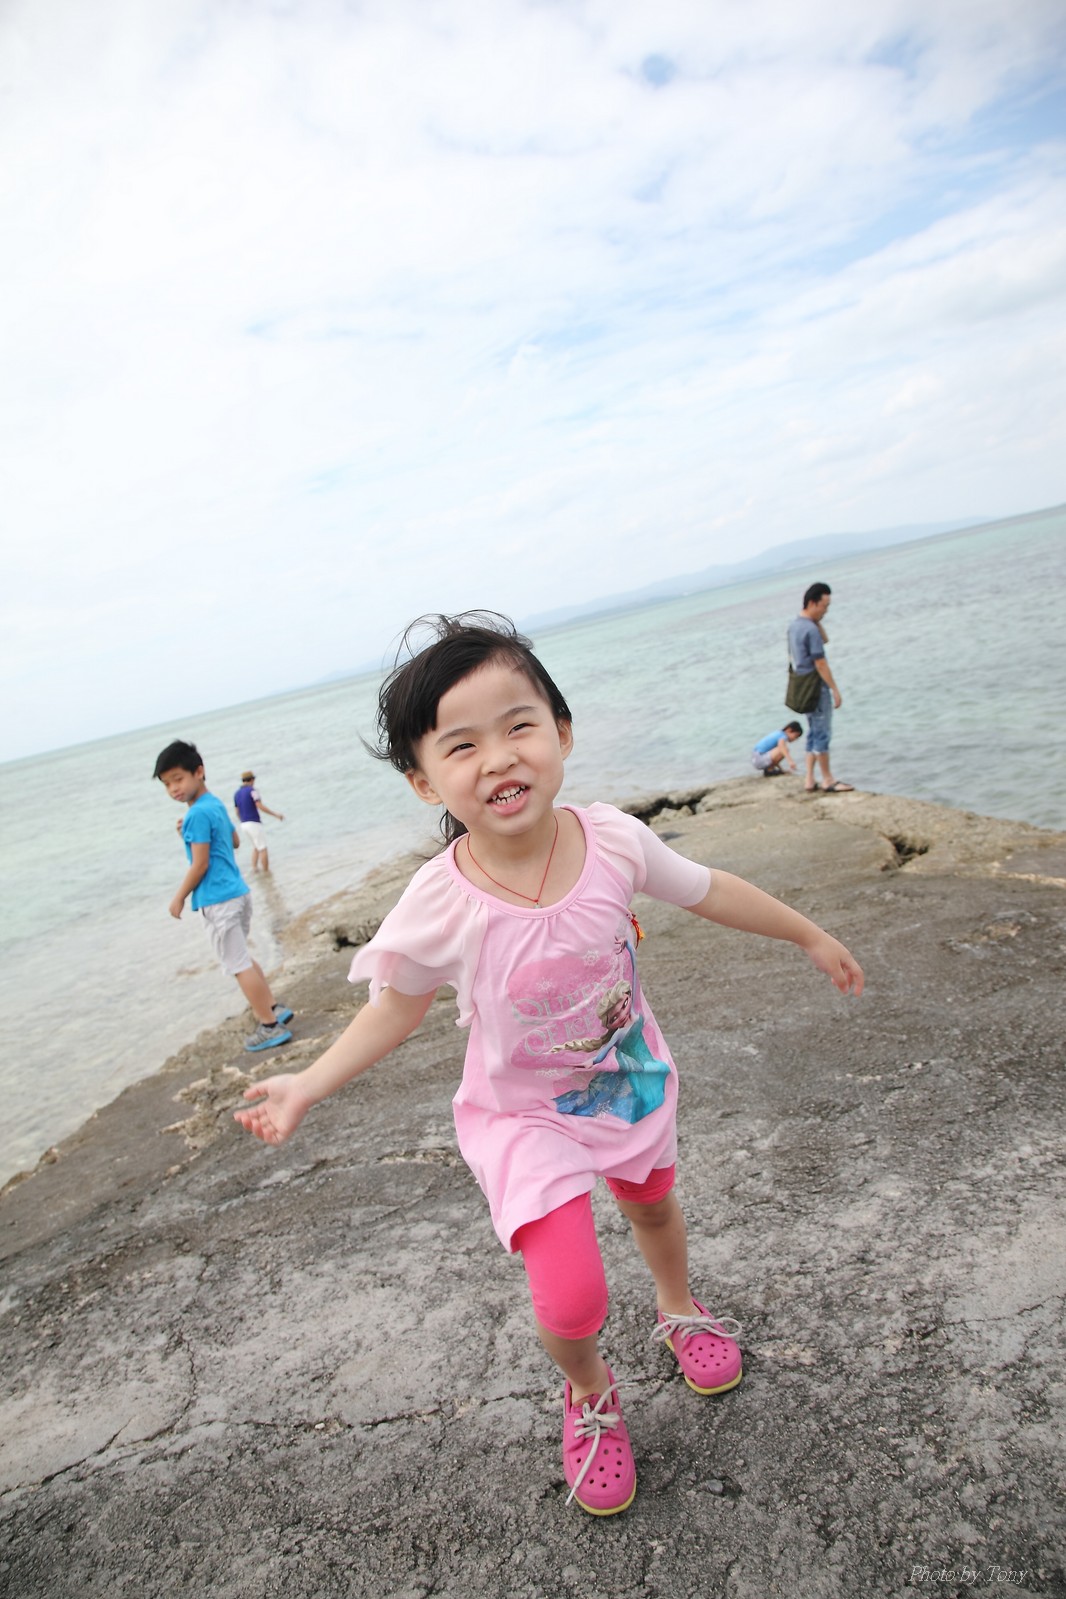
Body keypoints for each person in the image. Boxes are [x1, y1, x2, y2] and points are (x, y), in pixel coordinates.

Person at [234, 614, 864, 1516]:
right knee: (569, 1298)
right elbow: (393, 1009)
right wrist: (307, 1082)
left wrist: (807, 932)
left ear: (562, 732)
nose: (499, 757)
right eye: (462, 745)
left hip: (628, 1081)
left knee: (654, 1206)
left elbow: (707, 888)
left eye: (519, 725)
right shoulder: (440, 899)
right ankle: (590, 1389)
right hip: (524, 1115)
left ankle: (679, 1307)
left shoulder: (612, 841)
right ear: (424, 781)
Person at [154, 740, 295, 1053]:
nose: (173, 789)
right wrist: (188, 833)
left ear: (198, 772)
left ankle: (270, 1025)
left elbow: (200, 864)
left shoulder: (196, 815)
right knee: (242, 956)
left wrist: (179, 897)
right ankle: (273, 1007)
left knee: (237, 963)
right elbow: (234, 841)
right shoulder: (214, 804)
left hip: (217, 899)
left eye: (178, 779)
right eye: (166, 784)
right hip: (238, 893)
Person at [787, 582, 854, 793]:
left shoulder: (795, 626)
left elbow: (825, 639)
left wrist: (816, 620)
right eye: (824, 606)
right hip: (816, 688)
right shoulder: (809, 629)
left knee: (813, 733)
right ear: (812, 603)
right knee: (822, 733)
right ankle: (827, 779)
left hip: (803, 688)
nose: (826, 611)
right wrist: (834, 689)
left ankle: (809, 779)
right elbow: (820, 663)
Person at [233, 770, 284, 872]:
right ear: (252, 779)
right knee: (263, 848)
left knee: (256, 846)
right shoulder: (253, 791)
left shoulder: (236, 794)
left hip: (244, 824)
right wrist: (275, 814)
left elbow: (237, 811)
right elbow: (259, 805)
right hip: (253, 822)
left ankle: (254, 869)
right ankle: (266, 872)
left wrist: (242, 820)